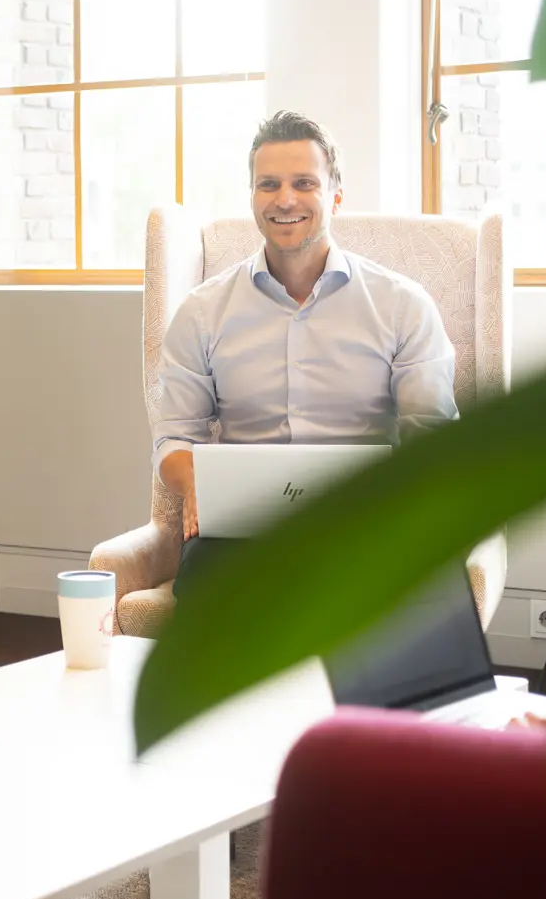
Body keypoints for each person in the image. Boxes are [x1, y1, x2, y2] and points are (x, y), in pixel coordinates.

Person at [152, 111, 458, 594]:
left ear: (336, 194)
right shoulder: (201, 312)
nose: (285, 199)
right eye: (268, 184)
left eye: (304, 183)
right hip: (240, 531)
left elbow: (432, 441)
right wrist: (195, 487)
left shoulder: (403, 306)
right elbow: (174, 439)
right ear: (252, 196)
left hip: (364, 523)